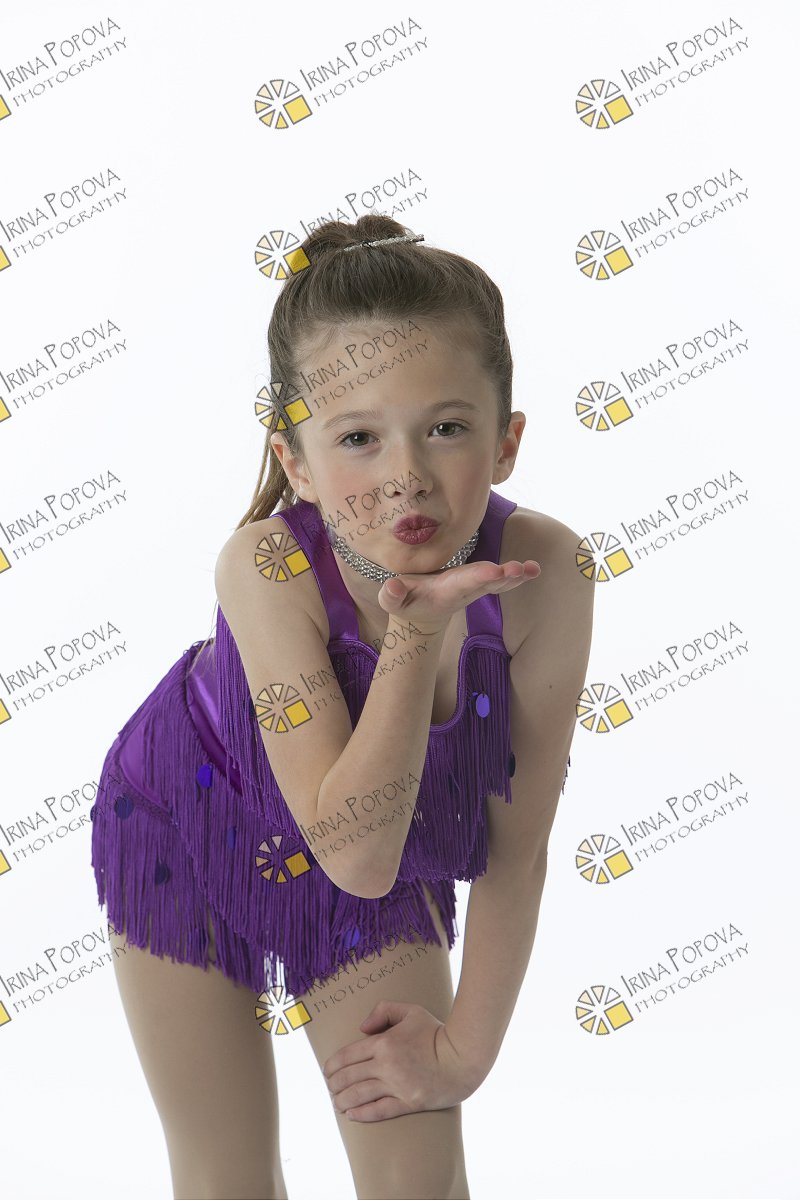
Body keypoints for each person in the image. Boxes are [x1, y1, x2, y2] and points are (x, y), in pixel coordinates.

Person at [89, 214, 594, 1200]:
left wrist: (462, 1053)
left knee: (416, 1181)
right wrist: (413, 630)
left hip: (371, 857)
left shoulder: (547, 573)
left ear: (506, 442)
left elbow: (512, 847)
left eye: (446, 428)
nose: (405, 476)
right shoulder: (265, 565)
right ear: (298, 464)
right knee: (224, 1178)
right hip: (183, 823)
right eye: (358, 438)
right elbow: (350, 849)